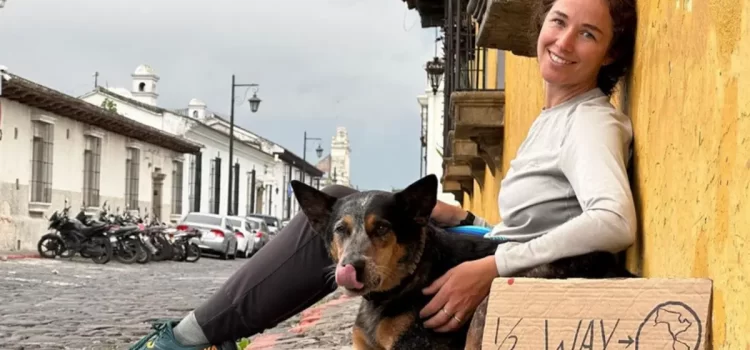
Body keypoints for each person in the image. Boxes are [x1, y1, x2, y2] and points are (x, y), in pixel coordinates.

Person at [130, 0, 638, 347]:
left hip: (517, 279)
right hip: (501, 256)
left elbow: (613, 220)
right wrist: (466, 217)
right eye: (559, 20)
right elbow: (540, 223)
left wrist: (492, 267)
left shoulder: (590, 121)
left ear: (610, 52)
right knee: (351, 212)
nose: (564, 40)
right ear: (541, 22)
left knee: (336, 204)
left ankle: (189, 338)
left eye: (588, 33)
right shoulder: (555, 118)